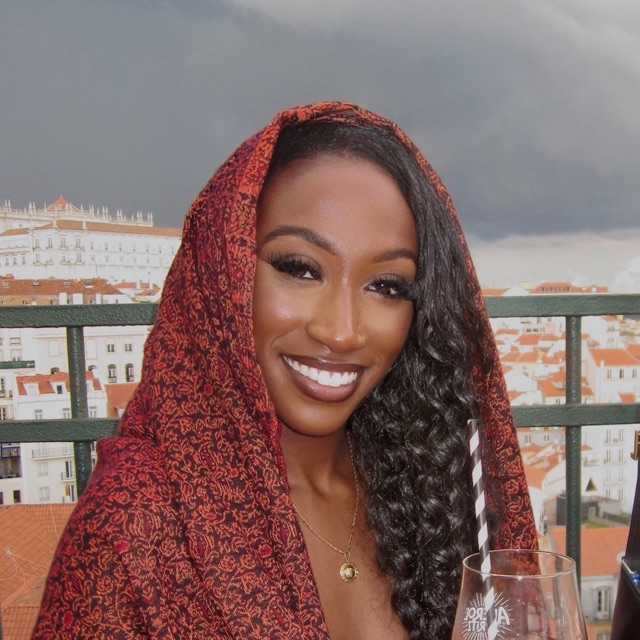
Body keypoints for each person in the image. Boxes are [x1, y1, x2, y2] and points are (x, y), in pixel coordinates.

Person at [32, 102, 536, 640]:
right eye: (300, 269)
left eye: (387, 286)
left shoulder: (430, 484)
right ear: (221, 272)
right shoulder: (134, 525)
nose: (342, 331)